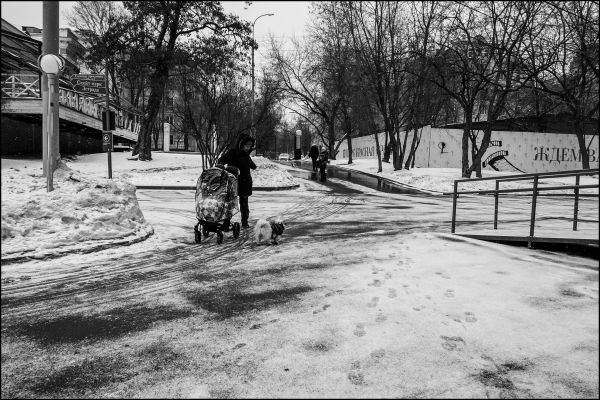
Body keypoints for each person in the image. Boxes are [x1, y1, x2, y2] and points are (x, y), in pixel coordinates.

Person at [218, 133, 257, 228]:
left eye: (250, 146)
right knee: (230, 202)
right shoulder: (232, 152)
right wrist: (224, 166)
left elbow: (252, 165)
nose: (248, 148)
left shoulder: (246, 155)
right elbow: (221, 160)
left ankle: (244, 221)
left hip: (244, 182)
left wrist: (252, 165)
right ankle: (226, 222)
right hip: (232, 181)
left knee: (244, 203)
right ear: (241, 144)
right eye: (246, 145)